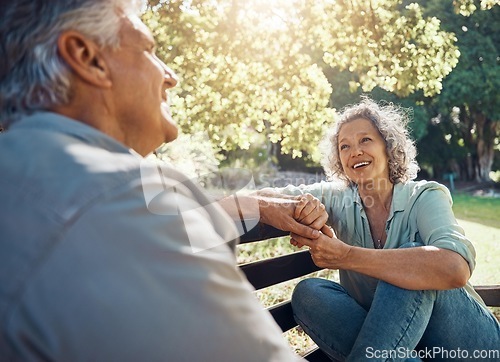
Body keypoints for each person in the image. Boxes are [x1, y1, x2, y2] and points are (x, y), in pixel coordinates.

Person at [0, 1, 328, 360]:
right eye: (148, 49)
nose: (170, 75)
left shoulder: (26, 178)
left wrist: (254, 204)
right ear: (87, 57)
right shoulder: (119, 198)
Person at [262, 98, 500, 361]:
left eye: (366, 140)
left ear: (389, 148)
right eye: (345, 146)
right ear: (340, 161)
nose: (355, 152)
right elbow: (270, 197)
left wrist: (346, 256)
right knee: (310, 294)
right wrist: (296, 206)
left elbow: (456, 268)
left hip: (470, 346)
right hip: (399, 349)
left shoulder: (424, 196)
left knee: (411, 262)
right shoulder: (338, 198)